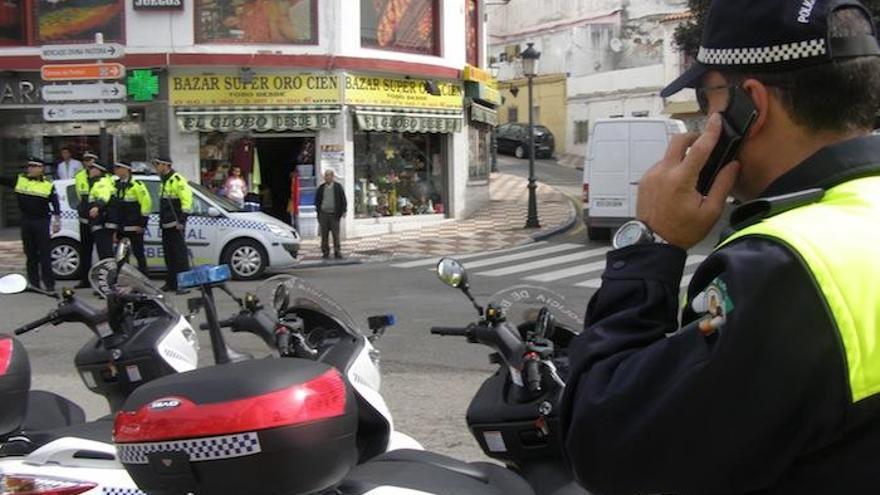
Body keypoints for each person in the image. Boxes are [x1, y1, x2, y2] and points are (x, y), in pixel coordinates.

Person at [560, 1, 880, 494]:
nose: (703, 117)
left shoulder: (785, 269)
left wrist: (652, 240)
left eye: (708, 98)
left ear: (750, 106)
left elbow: (610, 445)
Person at [0, 158, 61, 292]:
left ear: (41, 169)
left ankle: (49, 285)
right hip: (26, 221)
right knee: (30, 254)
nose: (31, 169)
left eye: (34, 166)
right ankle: (34, 284)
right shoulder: (20, 180)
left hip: (41, 221)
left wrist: (57, 221)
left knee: (45, 255)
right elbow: (3, 180)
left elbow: (55, 204)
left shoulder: (47, 184)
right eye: (29, 166)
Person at [153, 157, 192, 293]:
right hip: (166, 224)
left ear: (166, 165)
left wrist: (182, 221)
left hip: (176, 224)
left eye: (157, 164)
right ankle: (171, 283)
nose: (156, 167)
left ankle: (184, 285)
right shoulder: (163, 181)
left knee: (180, 256)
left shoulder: (177, 180)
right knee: (169, 256)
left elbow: (186, 202)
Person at [107, 161, 152, 275]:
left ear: (127, 169)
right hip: (121, 227)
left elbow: (146, 204)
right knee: (121, 256)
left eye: (119, 168)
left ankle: (144, 279)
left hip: (134, 227)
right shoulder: (114, 185)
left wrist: (142, 224)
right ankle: (123, 279)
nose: (116, 170)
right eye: (116, 168)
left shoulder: (137, 185)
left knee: (139, 254)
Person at [72, 152, 101, 288]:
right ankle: (85, 280)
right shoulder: (79, 176)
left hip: (99, 219)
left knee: (103, 251)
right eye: (85, 160)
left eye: (90, 159)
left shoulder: (105, 178)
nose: (88, 162)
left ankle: (103, 280)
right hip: (84, 219)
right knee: (85, 250)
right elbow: (80, 196)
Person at [87, 162, 117, 261]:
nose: (89, 170)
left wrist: (96, 207)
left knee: (105, 253)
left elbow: (104, 196)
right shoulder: (104, 181)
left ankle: (108, 275)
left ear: (98, 171)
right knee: (105, 252)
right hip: (103, 222)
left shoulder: (101, 182)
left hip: (102, 222)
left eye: (92, 168)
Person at [314, 169, 346, 259]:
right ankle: (325, 252)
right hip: (323, 214)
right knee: (324, 235)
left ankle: (337, 251)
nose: (327, 177)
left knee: (336, 234)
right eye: (326, 176)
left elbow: (343, 199)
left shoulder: (338, 187)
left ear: (333, 177)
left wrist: (344, 210)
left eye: (329, 176)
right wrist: (318, 212)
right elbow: (317, 201)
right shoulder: (321, 188)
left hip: (334, 214)